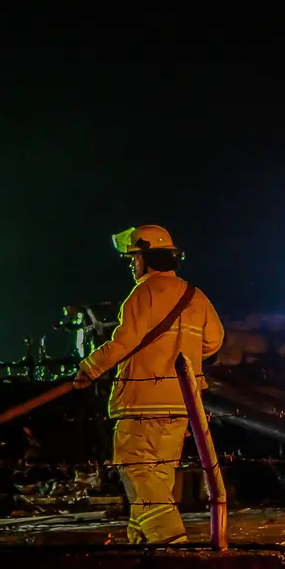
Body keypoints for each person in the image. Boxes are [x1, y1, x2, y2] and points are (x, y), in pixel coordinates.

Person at [74, 224, 225, 545]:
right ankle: (142, 544)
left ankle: (169, 541)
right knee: (158, 475)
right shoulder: (195, 296)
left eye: (134, 258)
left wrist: (89, 368)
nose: (131, 264)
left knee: (137, 470)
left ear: (148, 259)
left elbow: (122, 343)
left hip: (142, 402)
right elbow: (214, 341)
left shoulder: (142, 294)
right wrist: (181, 352)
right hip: (183, 405)